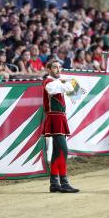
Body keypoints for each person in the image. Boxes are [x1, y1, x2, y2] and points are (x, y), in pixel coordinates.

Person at [43, 59, 79, 193]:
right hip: (54, 117)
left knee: (57, 151)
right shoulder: (48, 82)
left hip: (60, 117)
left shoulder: (56, 81)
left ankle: (54, 183)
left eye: (59, 67)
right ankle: (63, 182)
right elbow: (53, 89)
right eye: (55, 67)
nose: (58, 70)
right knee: (63, 150)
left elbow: (69, 88)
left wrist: (63, 82)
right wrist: (62, 81)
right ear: (49, 70)